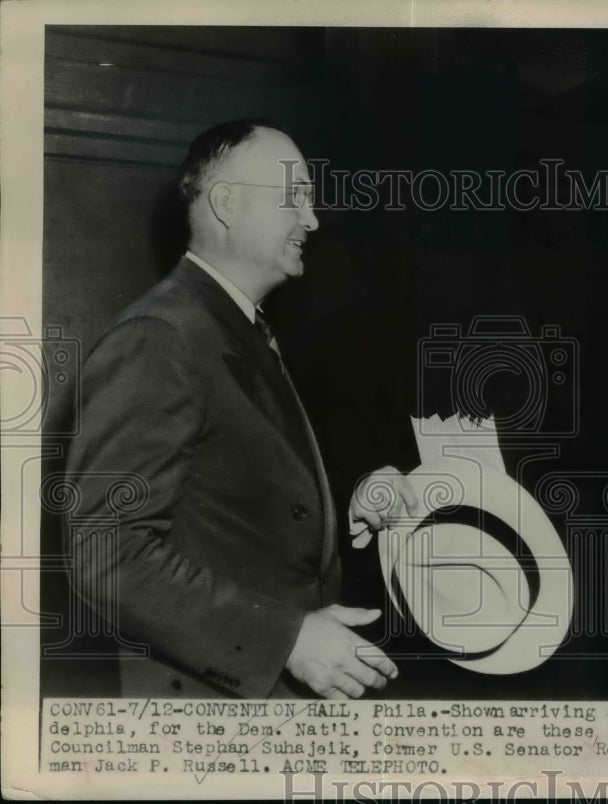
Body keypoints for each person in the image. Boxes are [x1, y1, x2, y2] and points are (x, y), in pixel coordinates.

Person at [64, 120, 412, 699]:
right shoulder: (161, 336)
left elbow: (230, 500)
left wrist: (349, 503)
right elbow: (106, 553)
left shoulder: (228, 326)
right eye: (294, 197)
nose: (312, 219)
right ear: (226, 204)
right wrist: (288, 640)